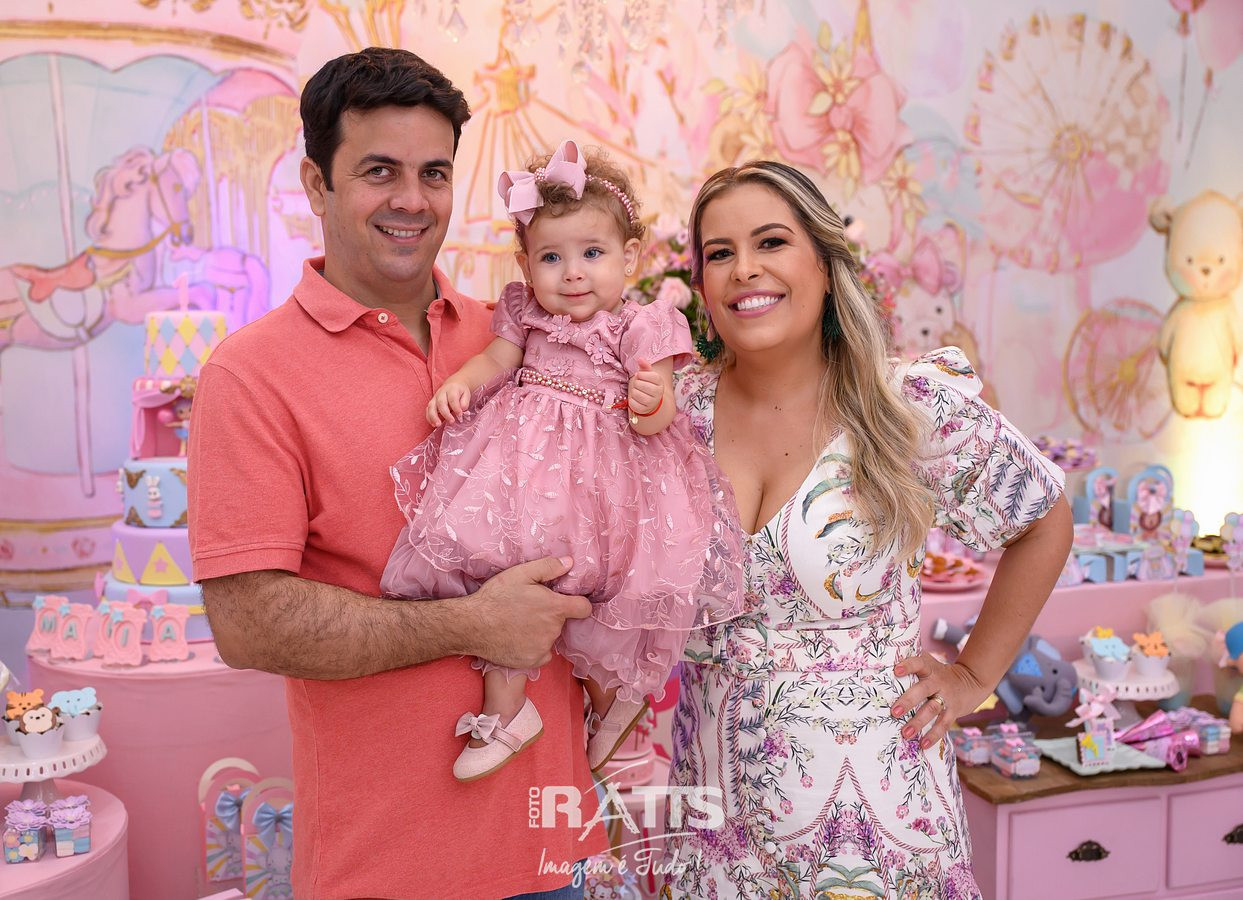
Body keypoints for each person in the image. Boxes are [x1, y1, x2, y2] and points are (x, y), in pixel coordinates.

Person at [187, 49, 604, 899]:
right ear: (316, 184)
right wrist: (474, 624)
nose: (412, 200)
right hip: (386, 865)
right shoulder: (251, 374)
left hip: (552, 850)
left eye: (433, 173)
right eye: (380, 171)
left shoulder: (519, 339)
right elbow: (248, 623)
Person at [661, 161, 1073, 898]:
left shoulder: (903, 404)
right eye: (720, 252)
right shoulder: (673, 415)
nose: (744, 269)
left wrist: (972, 677)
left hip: (879, 828)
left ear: (824, 264)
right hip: (711, 825)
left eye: (770, 242)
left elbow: (1042, 520)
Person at [380, 139, 746, 782]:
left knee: (603, 598)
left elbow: (660, 416)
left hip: (607, 486)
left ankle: (613, 703)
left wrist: (649, 401)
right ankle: (506, 709)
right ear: (526, 266)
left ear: (629, 257)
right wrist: (461, 383)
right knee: (502, 576)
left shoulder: (641, 324)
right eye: (551, 257)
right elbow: (497, 361)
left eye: (592, 254)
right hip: (525, 476)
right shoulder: (527, 313)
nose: (572, 273)